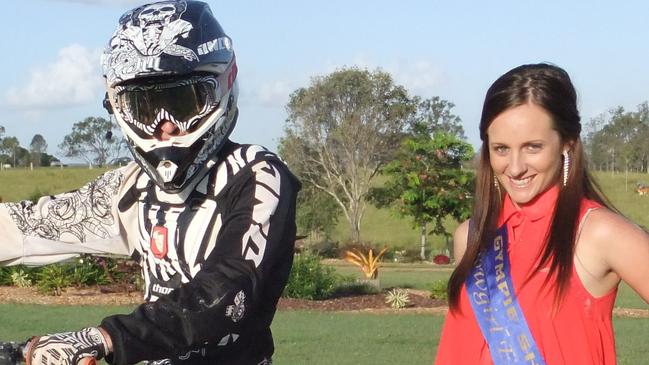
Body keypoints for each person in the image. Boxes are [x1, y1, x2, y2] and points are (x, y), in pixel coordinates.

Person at [0, 1, 300, 364]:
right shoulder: (134, 188)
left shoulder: (256, 175)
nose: (165, 124)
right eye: (145, 106)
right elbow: (31, 226)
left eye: (182, 101)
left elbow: (227, 294)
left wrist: (104, 338)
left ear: (223, 84)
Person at [434, 63, 649, 364]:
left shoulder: (598, 233)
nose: (516, 166)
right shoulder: (471, 236)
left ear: (567, 144)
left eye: (532, 147)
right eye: (501, 149)